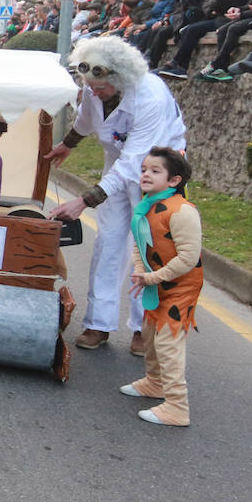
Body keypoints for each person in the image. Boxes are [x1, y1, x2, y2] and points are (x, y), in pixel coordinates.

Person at [47, 37, 187, 356]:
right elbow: (86, 117)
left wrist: (85, 200)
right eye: (90, 86)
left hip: (158, 166)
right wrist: (68, 143)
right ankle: (99, 323)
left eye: (100, 87)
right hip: (120, 159)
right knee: (108, 241)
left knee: (148, 246)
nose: (94, 92)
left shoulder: (149, 95)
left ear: (120, 78)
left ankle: (143, 327)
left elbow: (135, 162)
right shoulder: (96, 89)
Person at [122, 148, 202, 427]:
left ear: (174, 181)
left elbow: (188, 258)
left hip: (181, 287)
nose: (146, 174)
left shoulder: (182, 211)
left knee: (168, 342)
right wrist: (141, 271)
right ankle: (155, 383)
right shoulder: (147, 206)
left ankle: (178, 407)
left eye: (155, 171)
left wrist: (151, 278)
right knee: (150, 333)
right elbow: (139, 244)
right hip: (158, 283)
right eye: (145, 168)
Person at [157, 0, 251, 79]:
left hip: (226, 19)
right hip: (219, 17)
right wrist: (211, 7)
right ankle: (180, 66)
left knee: (191, 29)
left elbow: (220, 1)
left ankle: (183, 65)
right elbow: (209, 2)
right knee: (187, 30)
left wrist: (212, 7)